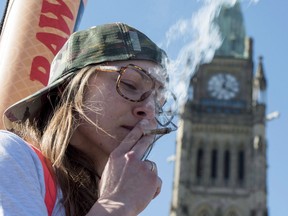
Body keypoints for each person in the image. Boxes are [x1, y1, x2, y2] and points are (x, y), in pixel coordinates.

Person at [0, 22, 177, 216]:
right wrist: (116, 204)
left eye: (159, 101)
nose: (149, 111)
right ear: (68, 88)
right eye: (130, 84)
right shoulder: (13, 155)